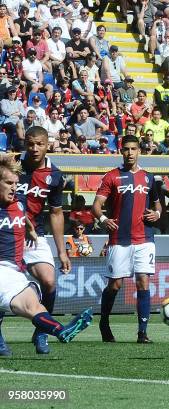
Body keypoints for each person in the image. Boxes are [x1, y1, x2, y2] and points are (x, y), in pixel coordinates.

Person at [0, 154, 92, 357]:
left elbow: (22, 216)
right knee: (30, 304)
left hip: (13, 271)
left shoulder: (18, 204)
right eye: (8, 183)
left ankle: (61, 332)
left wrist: (30, 230)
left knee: (35, 304)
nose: (14, 188)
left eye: (16, 183)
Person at [0, 127, 71, 355]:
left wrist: (62, 251)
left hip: (33, 235)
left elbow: (56, 213)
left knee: (49, 281)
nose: (34, 149)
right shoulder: (12, 167)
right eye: (30, 144)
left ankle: (41, 332)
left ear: (47, 144)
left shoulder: (55, 175)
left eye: (39, 144)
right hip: (6, 232)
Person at [92, 135, 161, 344]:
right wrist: (103, 219)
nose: (130, 153)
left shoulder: (149, 178)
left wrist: (157, 214)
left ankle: (142, 332)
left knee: (143, 282)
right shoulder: (112, 176)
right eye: (126, 149)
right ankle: (104, 321)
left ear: (140, 151)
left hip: (145, 238)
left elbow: (157, 205)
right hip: (119, 238)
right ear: (121, 152)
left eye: (133, 149)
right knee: (115, 285)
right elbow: (96, 205)